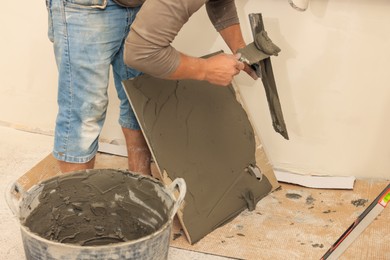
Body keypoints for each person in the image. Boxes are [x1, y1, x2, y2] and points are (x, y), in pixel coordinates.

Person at [47, 0, 152, 175]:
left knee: (140, 99)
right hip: (87, 8)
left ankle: (141, 183)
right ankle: (77, 196)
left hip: (140, 6)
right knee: (84, 111)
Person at [124, 0, 257, 86]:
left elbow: (220, 2)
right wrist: (206, 69)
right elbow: (141, 54)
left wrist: (240, 48)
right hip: (111, 7)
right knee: (135, 95)